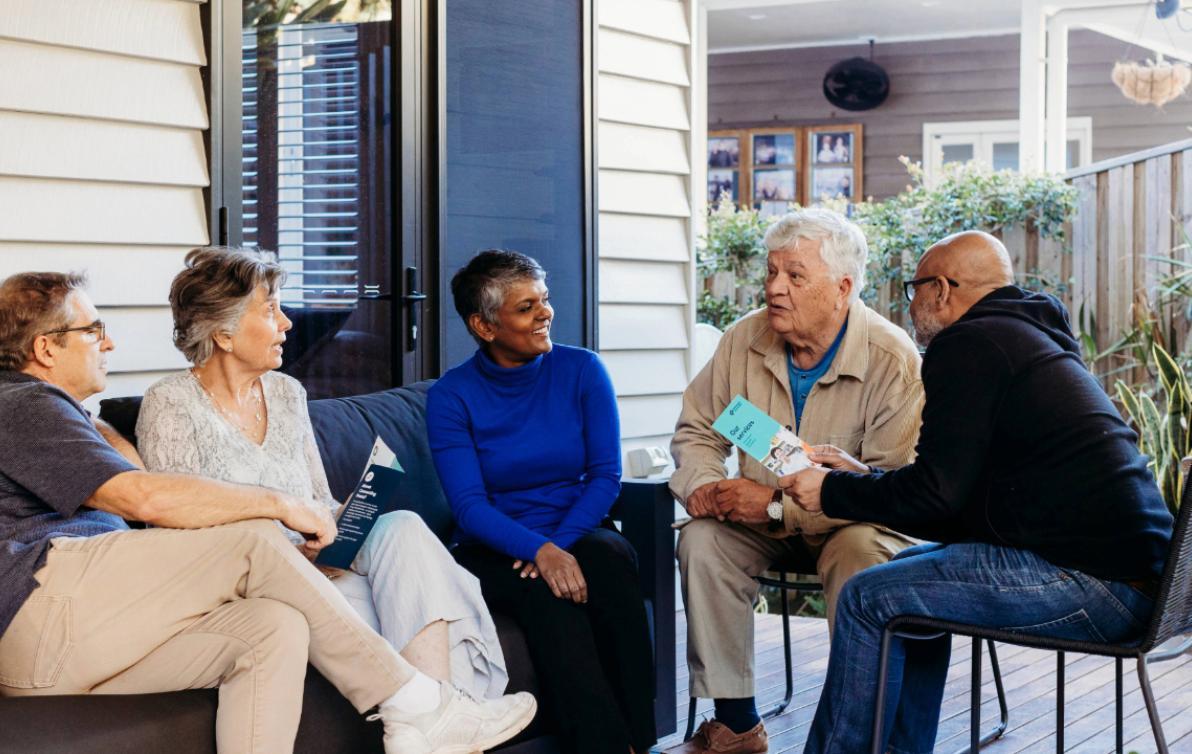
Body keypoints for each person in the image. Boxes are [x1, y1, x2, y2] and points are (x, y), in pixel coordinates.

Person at [0, 270, 536, 754]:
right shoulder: (24, 404)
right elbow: (143, 498)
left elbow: (129, 477)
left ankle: (430, 710)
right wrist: (281, 504)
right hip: (47, 606)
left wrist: (97, 423)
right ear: (46, 348)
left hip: (56, 652)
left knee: (271, 628)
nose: (109, 341)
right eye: (93, 330)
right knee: (254, 537)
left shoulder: (53, 414)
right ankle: (415, 705)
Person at [782, 231, 1174, 754]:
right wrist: (861, 479)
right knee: (903, 583)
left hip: (1099, 584)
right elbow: (958, 501)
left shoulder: (969, 344)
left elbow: (935, 498)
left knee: (867, 596)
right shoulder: (1027, 337)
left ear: (942, 289)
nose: (912, 304)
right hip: (1147, 584)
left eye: (913, 289)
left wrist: (831, 491)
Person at [136, 247, 509, 700]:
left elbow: (320, 501)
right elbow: (177, 525)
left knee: (405, 526)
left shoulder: (288, 393)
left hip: (321, 567)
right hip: (253, 585)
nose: (287, 323)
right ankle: (447, 716)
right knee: (407, 605)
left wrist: (351, 513)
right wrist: (290, 552)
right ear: (224, 333)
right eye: (271, 310)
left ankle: (437, 720)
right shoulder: (171, 403)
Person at [666, 209, 924, 754]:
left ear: (842, 288)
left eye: (795, 276)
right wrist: (705, 485)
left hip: (855, 524)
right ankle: (736, 725)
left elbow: (891, 490)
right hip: (758, 521)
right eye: (770, 272)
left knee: (859, 552)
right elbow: (696, 430)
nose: (774, 289)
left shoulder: (891, 357)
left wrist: (778, 508)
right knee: (702, 539)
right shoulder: (743, 339)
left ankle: (855, 723)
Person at [427, 250, 656, 754]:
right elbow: (469, 506)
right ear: (484, 326)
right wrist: (537, 552)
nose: (545, 313)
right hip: (491, 544)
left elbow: (604, 476)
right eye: (526, 307)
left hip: (573, 527)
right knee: (550, 601)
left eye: (544, 300)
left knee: (612, 562)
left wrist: (557, 546)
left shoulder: (582, 371)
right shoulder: (452, 397)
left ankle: (643, 742)